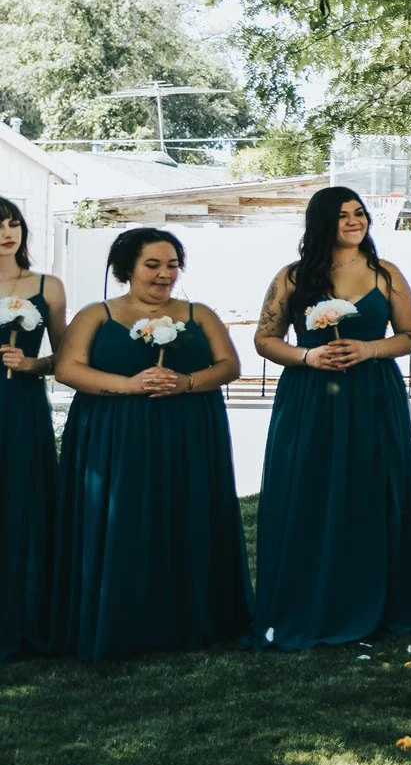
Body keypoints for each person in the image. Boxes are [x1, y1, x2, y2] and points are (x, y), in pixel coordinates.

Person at [250, 187, 411, 649]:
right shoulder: (293, 277)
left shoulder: (386, 274)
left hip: (372, 395)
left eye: (359, 213)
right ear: (323, 222)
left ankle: (384, 597)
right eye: (342, 215)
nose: (354, 221)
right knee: (311, 489)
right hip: (312, 397)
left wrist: (369, 348)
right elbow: (265, 339)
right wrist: (307, 356)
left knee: (374, 488)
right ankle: (313, 596)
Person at [51, 227, 249, 661]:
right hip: (115, 436)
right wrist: (128, 384)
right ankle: (121, 618)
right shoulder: (97, 314)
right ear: (127, 268)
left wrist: (188, 382)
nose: (165, 275)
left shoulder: (200, 313)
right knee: (123, 519)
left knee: (184, 514)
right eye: (153, 265)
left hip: (188, 435)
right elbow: (67, 370)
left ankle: (190, 617)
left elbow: (229, 365)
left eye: (172, 265)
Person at [0, 194, 65, 661]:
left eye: (14, 224)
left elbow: (65, 358)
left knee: (21, 504)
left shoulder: (48, 285)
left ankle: (25, 619)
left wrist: (30, 364)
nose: (7, 233)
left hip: (21, 408)